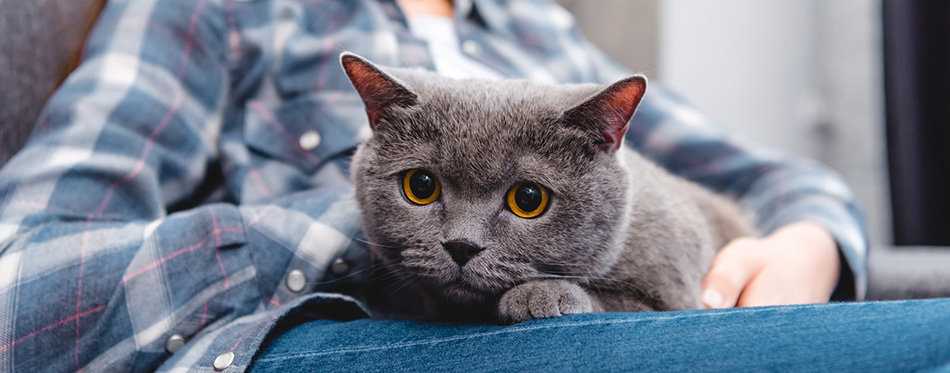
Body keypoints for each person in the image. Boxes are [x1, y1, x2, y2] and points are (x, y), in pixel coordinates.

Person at [0, 0, 946, 371]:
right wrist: (346, 230)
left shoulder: (541, 33)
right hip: (364, 336)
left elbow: (772, 176)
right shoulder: (228, 9)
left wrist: (809, 241)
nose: (462, 233)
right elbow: (18, 289)